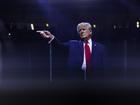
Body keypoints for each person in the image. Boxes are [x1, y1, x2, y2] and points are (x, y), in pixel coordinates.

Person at [37, 22, 106, 80]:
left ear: (90, 31)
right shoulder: (73, 44)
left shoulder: (100, 47)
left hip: (95, 79)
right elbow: (59, 45)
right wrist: (51, 37)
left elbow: (104, 65)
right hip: (76, 78)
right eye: (79, 30)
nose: (81, 31)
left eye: (83, 29)